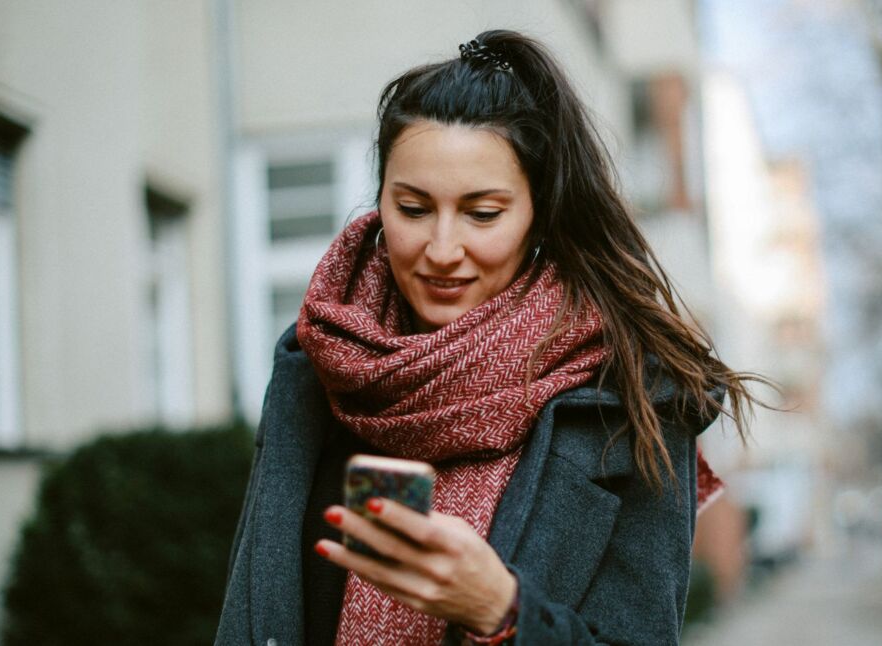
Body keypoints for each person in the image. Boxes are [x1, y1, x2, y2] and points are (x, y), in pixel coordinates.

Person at [214, 30, 760, 646]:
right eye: (414, 208)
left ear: (538, 215)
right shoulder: (324, 362)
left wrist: (501, 610)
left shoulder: (627, 397)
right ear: (380, 204)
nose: (442, 251)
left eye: (482, 213)